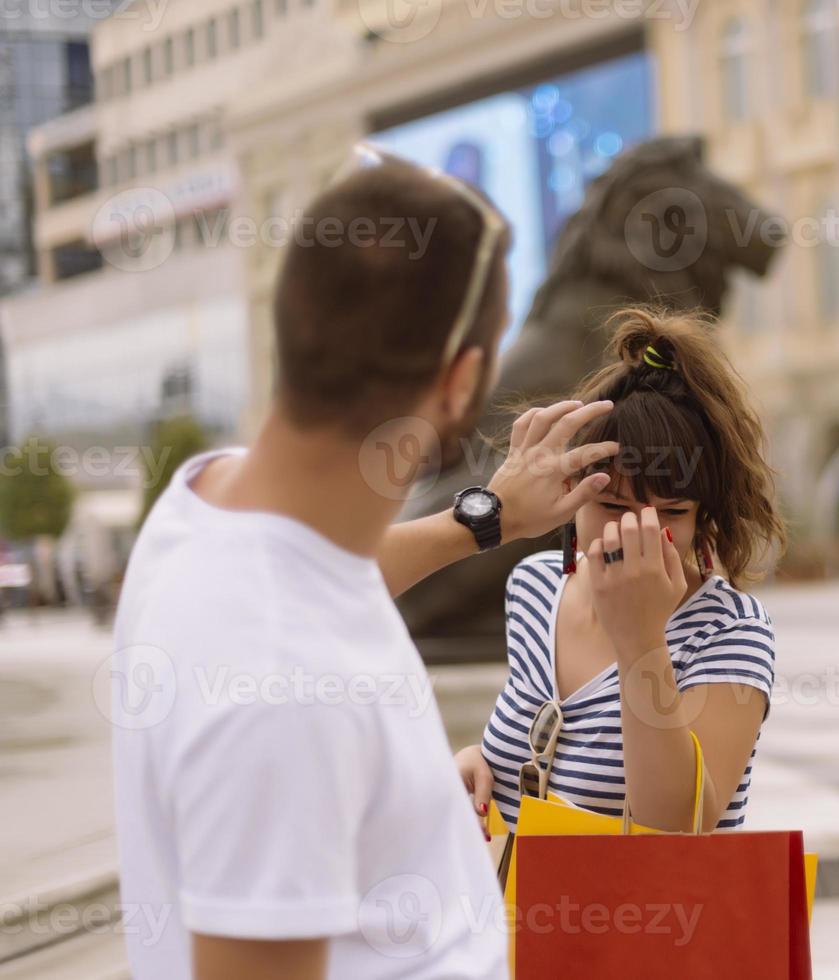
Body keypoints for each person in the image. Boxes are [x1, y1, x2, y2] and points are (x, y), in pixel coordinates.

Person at [110, 147, 622, 980]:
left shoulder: (204, 504)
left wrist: (484, 519)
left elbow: (321, 574)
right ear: (459, 384)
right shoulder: (279, 690)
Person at [456, 307, 787, 835]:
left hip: (649, 920)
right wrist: (481, 765)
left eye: (673, 512)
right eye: (613, 506)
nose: (640, 532)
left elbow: (679, 825)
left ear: (706, 516)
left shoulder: (729, 630)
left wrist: (639, 638)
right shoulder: (535, 585)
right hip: (515, 914)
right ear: (571, 494)